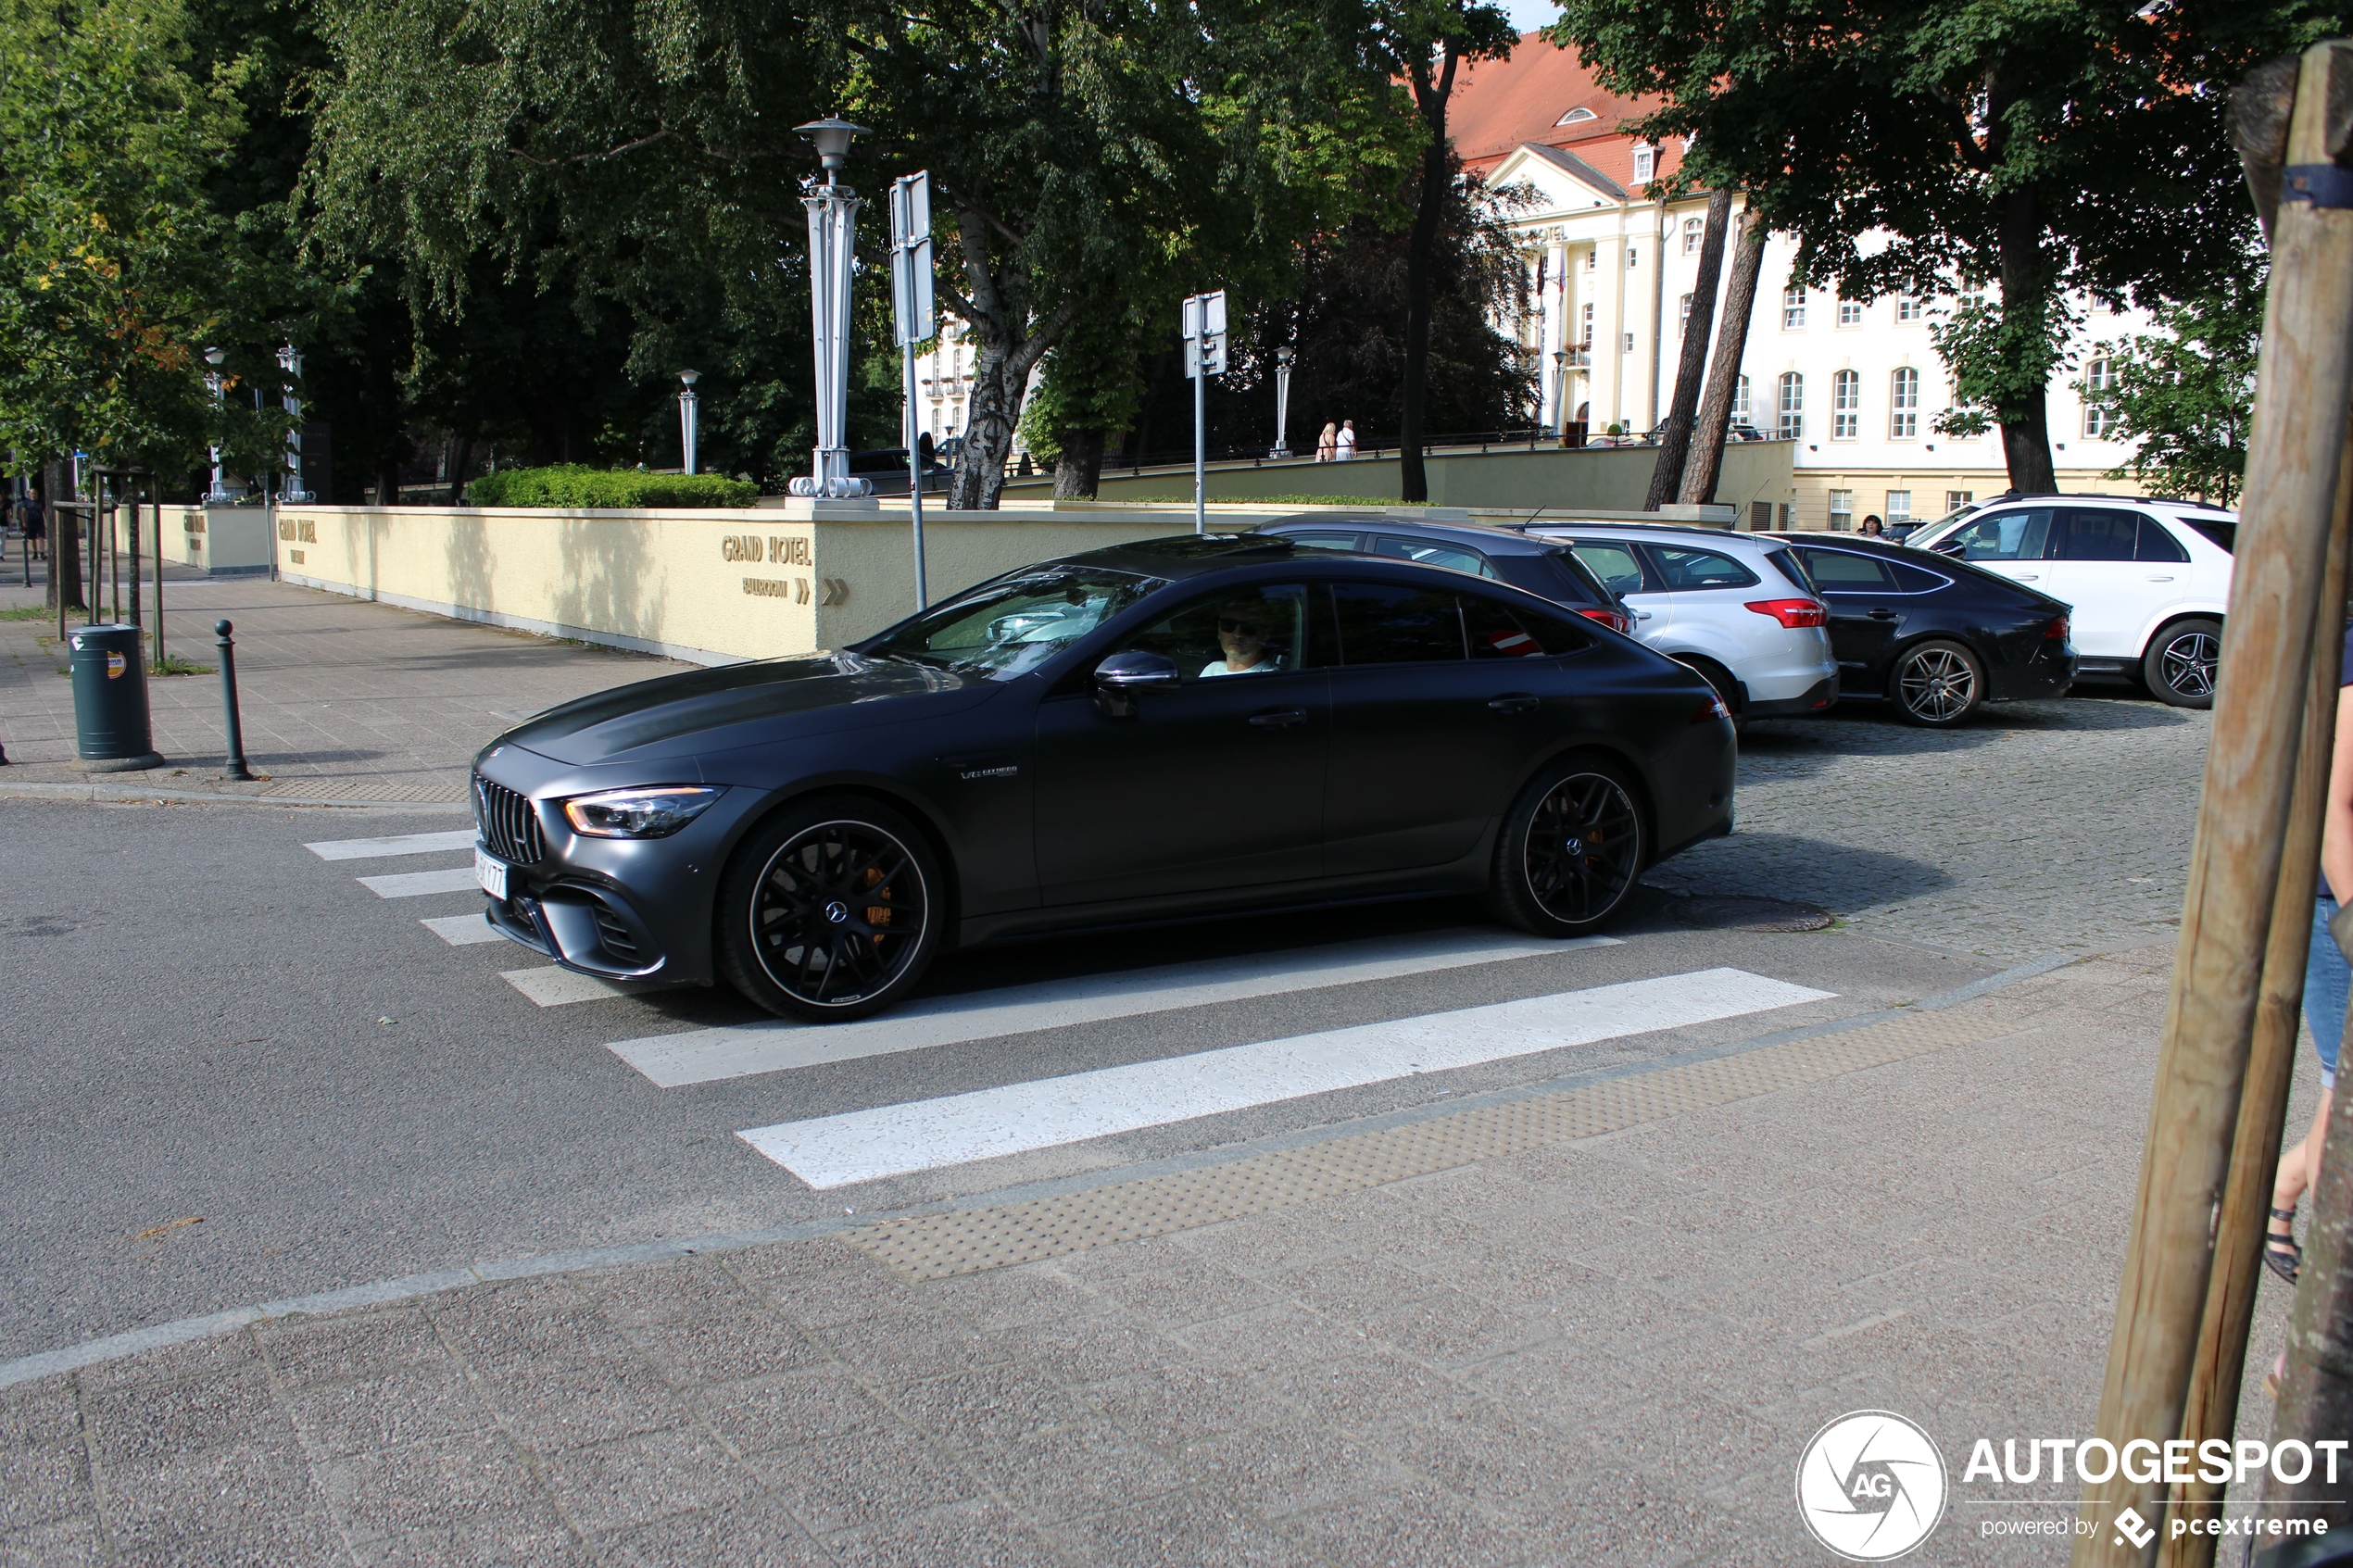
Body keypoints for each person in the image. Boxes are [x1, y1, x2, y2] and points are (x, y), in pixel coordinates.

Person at [2268, 623, 2353, 1290]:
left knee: (2341, 1093)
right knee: (2345, 1091)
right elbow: (2335, 809)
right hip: (2342, 911)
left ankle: (2281, 1192)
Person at [1200, 602, 1280, 677]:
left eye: (1249, 627)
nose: (1237, 634)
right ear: (1219, 631)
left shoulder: (1269, 679)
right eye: (1228, 625)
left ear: (1265, 635)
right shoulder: (1212, 669)